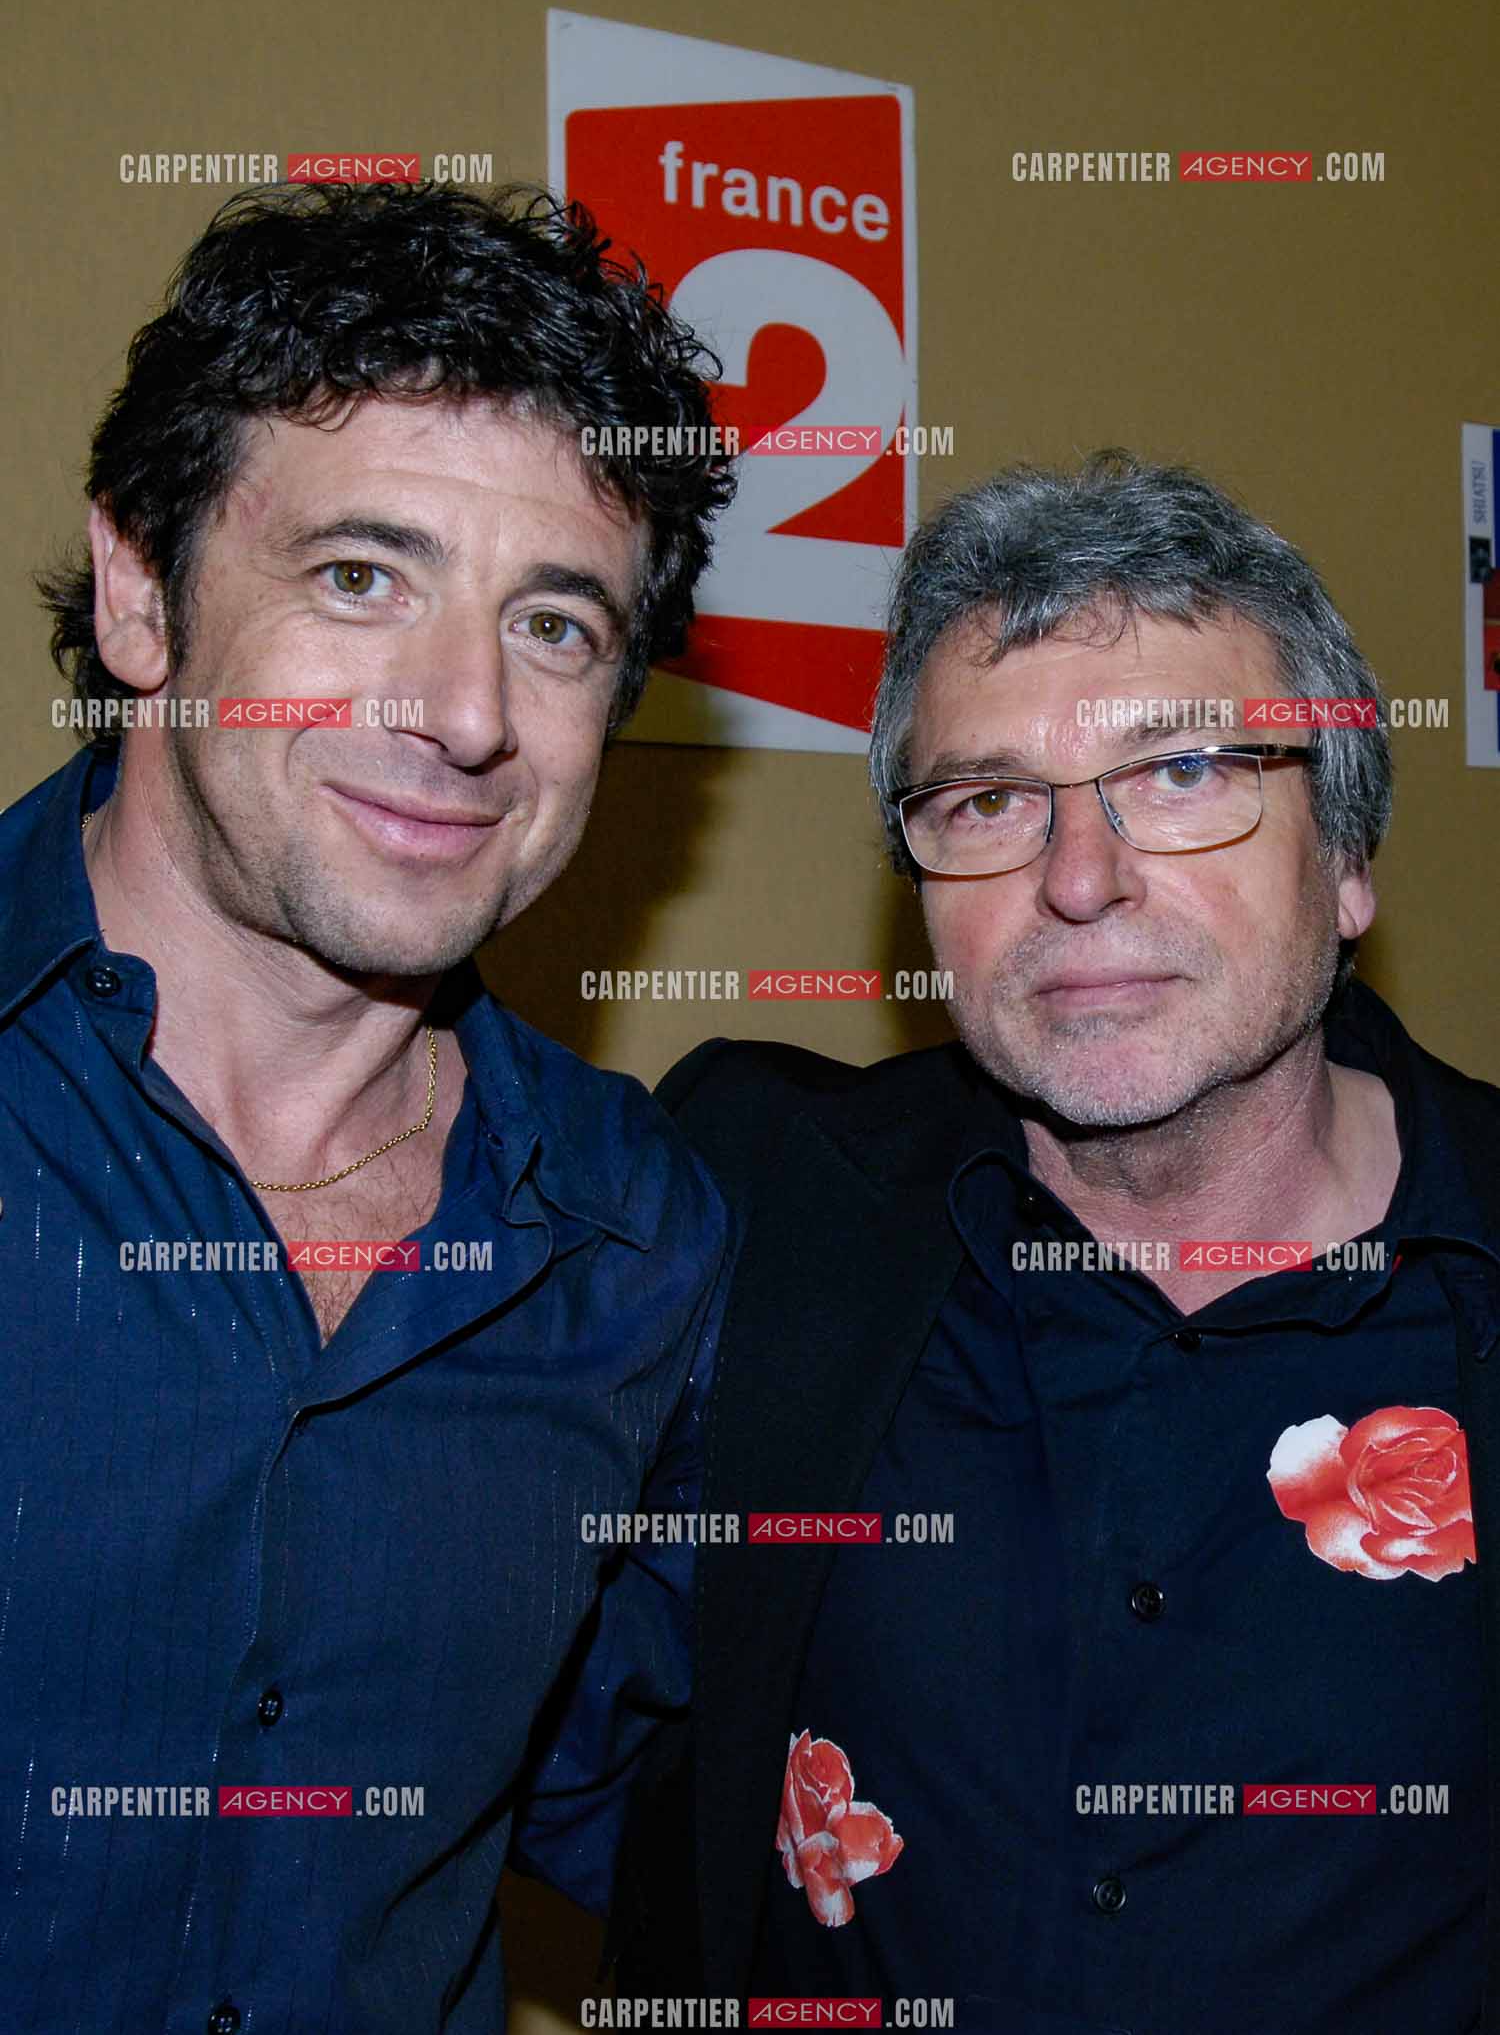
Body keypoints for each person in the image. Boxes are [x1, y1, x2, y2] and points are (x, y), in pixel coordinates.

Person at [614, 452, 1500, 2033]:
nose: (1078, 881)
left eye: (1181, 774)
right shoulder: (760, 1197)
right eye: (989, 801)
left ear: (1350, 857)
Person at [0, 177, 736, 2033]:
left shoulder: (639, 1243)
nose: (465, 709)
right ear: (144, 593)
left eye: (555, 625)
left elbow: (666, 1824)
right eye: (361, 577)